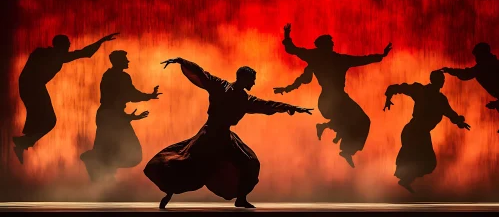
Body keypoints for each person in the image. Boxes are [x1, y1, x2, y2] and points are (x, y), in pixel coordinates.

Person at [143, 57, 313, 209]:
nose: (253, 84)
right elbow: (202, 74)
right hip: (209, 135)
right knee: (188, 164)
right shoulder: (220, 86)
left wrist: (292, 108)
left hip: (225, 137)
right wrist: (182, 62)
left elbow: (267, 104)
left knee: (250, 163)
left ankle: (241, 198)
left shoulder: (245, 99)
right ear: (243, 78)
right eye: (252, 80)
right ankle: (169, 193)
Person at [274, 23, 392, 167]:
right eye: (330, 43)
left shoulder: (329, 58)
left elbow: (362, 60)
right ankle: (330, 131)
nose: (332, 45)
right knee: (353, 121)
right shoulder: (319, 57)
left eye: (332, 43)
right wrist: (286, 35)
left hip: (337, 100)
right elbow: (292, 50)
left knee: (363, 121)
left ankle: (345, 148)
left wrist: (381, 55)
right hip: (330, 102)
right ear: (323, 46)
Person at [12, 33, 119, 164]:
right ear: (61, 45)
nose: (70, 45)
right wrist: (101, 40)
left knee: (46, 120)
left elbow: (85, 53)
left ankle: (24, 142)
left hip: (30, 86)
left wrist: (101, 41)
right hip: (32, 87)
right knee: (49, 120)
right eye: (67, 43)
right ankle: (24, 142)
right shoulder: (53, 55)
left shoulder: (52, 54)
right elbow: (84, 52)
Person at [80, 50, 162, 182]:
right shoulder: (119, 77)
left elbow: (124, 96)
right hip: (112, 117)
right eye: (125, 59)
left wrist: (128, 116)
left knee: (109, 150)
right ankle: (97, 166)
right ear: (118, 61)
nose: (128, 61)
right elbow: (129, 94)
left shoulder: (109, 75)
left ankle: (102, 174)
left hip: (109, 116)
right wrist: (149, 96)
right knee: (132, 154)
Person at [384, 70, 471, 193]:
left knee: (428, 163)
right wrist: (388, 97)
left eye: (443, 79)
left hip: (421, 133)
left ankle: (406, 179)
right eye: (441, 79)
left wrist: (459, 122)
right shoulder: (421, 90)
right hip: (413, 132)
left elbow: (450, 113)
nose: (443, 81)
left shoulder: (440, 99)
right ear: (434, 80)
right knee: (424, 161)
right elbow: (397, 88)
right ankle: (406, 178)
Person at [440, 42, 499, 131]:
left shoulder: (483, 67)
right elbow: (466, 74)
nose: (476, 59)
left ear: (483, 55)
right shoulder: (488, 65)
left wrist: (449, 70)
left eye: (477, 56)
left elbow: (466, 74)